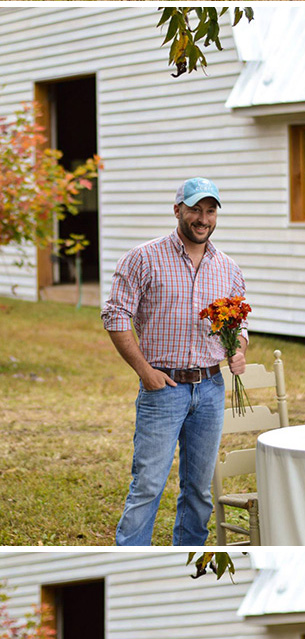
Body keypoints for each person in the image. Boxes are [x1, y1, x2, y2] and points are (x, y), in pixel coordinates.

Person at [101, 176, 248, 546]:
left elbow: (239, 323)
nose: (203, 218)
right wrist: (144, 371)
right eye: (195, 209)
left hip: (210, 389)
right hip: (163, 388)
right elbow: (115, 316)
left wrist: (239, 349)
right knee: (148, 486)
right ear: (177, 210)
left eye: (210, 210)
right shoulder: (143, 258)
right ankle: (131, 561)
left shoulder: (228, 268)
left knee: (198, 490)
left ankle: (189, 560)